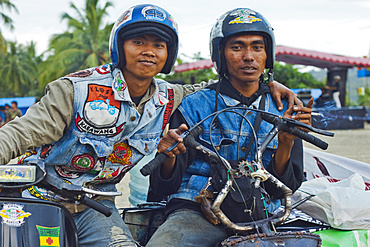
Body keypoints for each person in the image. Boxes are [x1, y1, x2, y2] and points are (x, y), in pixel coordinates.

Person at [0, 4, 297, 246]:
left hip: (95, 206)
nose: (149, 51)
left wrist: (267, 83)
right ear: (119, 46)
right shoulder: (76, 90)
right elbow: (19, 133)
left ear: (168, 54)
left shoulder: (169, 97)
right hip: (38, 197)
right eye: (138, 42)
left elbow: (221, 87)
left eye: (159, 44)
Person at [147, 7, 313, 247]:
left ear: (268, 55)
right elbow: (165, 185)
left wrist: (286, 141)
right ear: (220, 55)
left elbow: (284, 187)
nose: (249, 56)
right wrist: (169, 155)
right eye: (237, 47)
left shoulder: (285, 109)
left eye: (257, 47)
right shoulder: (195, 105)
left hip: (262, 214)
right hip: (196, 210)